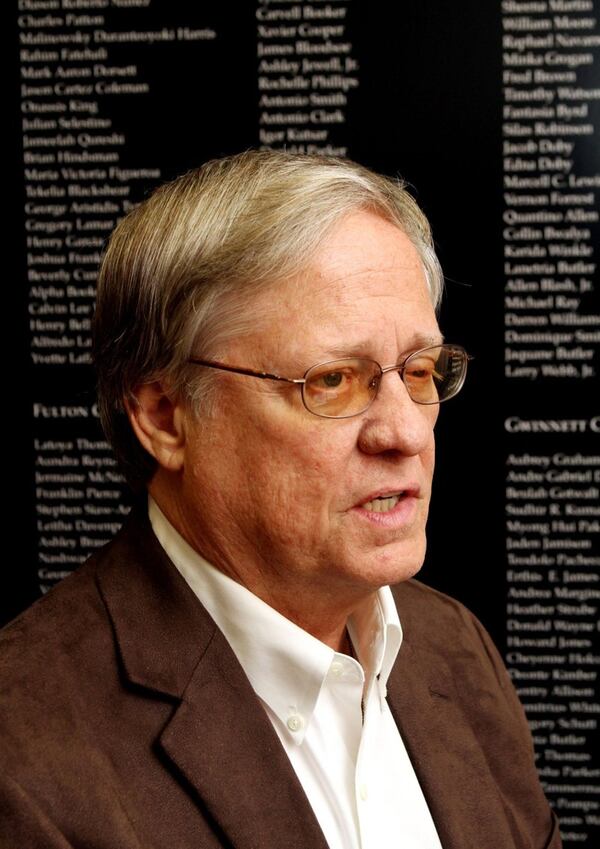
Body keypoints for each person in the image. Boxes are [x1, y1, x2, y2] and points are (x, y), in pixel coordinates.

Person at [1, 151, 560, 849]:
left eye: (420, 370)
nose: (407, 430)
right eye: (331, 380)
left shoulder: (456, 648)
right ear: (167, 415)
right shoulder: (23, 762)